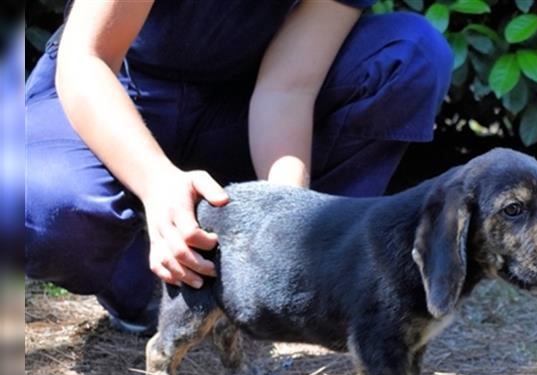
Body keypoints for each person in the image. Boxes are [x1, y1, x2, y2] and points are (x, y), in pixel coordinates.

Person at [25, 0, 453, 333]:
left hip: (237, 103)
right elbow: (88, 59)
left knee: (410, 53)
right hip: (113, 83)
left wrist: (285, 223)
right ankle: (132, 277)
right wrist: (157, 183)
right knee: (49, 207)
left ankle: (289, 283)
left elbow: (287, 88)